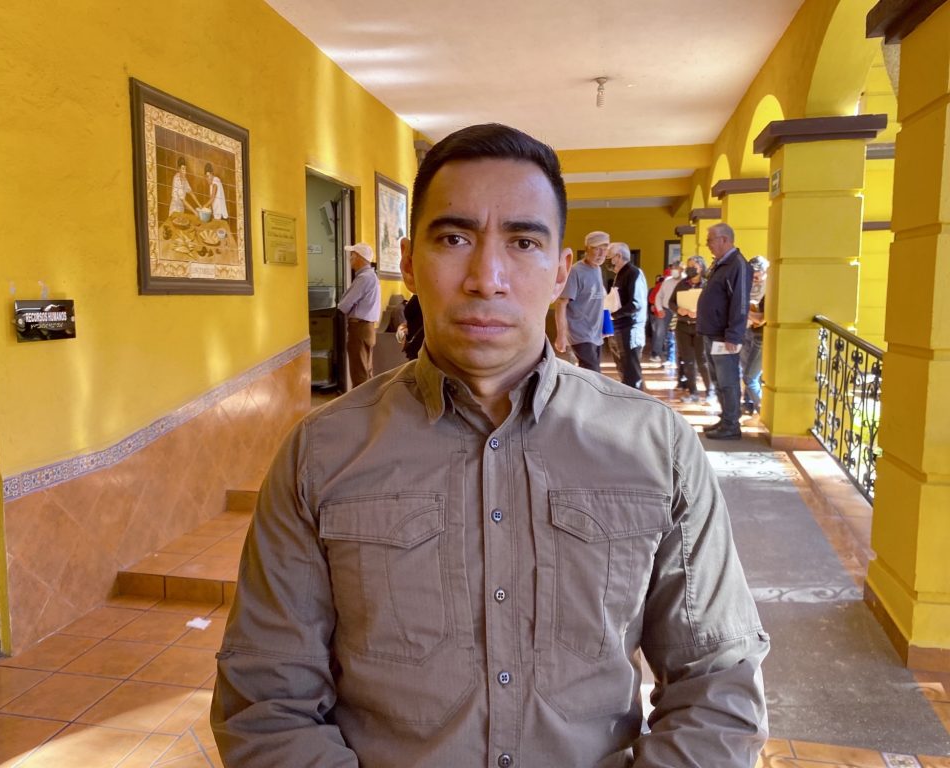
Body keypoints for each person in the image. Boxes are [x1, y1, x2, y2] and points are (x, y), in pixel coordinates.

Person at [211, 123, 769, 767]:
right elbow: (265, 701)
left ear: (560, 272)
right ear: (410, 264)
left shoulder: (655, 447)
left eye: (523, 242)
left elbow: (719, 685)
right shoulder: (322, 453)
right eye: (454, 239)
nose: (487, 278)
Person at [697, 223, 751, 440]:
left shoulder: (738, 265)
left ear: (724, 240)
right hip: (712, 333)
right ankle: (725, 418)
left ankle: (731, 425)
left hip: (723, 336)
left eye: (710, 240)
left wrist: (733, 335)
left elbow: (740, 303)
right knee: (718, 380)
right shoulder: (721, 264)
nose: (708, 244)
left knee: (728, 381)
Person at [553, 230, 609, 372]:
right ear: (587, 249)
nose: (601, 254)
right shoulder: (575, 272)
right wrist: (561, 335)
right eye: (597, 249)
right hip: (580, 333)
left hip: (595, 333)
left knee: (591, 373)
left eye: (604, 249)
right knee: (593, 373)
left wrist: (605, 326)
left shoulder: (598, 269)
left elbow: (600, 300)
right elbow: (561, 304)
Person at [670, 256, 715, 402]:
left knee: (703, 360)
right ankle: (693, 392)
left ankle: (710, 391)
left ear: (701, 268)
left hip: (700, 327)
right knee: (688, 361)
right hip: (683, 326)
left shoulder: (707, 285)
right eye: (688, 266)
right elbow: (671, 302)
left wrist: (700, 312)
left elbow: (714, 305)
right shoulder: (682, 284)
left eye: (694, 266)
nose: (691, 269)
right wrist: (679, 309)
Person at [337, 242, 381, 387]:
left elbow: (344, 305)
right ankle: (370, 400)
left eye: (353, 255)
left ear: (360, 258)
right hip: (367, 328)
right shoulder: (371, 276)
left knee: (359, 373)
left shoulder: (364, 278)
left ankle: (361, 401)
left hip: (359, 329)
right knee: (366, 370)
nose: (350, 259)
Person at [608, 242, 648, 389]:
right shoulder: (620, 274)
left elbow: (636, 304)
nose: (607, 261)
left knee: (631, 372)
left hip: (630, 329)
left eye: (609, 257)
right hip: (619, 327)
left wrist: (613, 315)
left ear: (618, 257)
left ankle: (637, 400)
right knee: (623, 370)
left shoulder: (633, 273)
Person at [742, 255, 769, 415]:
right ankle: (749, 404)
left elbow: (762, 318)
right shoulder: (747, 283)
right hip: (747, 330)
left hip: (760, 333)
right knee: (747, 368)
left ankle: (763, 412)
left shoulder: (771, 288)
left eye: (757, 273)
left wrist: (743, 310)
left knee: (751, 376)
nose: (754, 277)